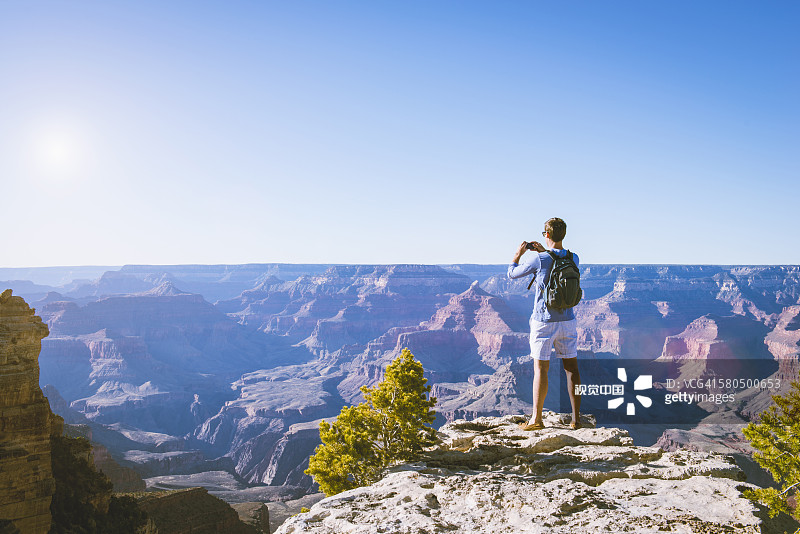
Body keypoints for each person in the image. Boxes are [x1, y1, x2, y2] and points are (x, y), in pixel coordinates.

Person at [508, 217, 581, 430]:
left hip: (544, 321)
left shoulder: (539, 260)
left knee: (541, 369)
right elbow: (557, 261)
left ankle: (537, 420)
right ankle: (576, 420)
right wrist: (544, 251)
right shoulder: (574, 257)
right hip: (568, 320)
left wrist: (518, 254)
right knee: (572, 370)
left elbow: (512, 274)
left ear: (546, 235)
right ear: (563, 235)